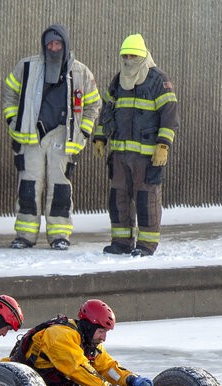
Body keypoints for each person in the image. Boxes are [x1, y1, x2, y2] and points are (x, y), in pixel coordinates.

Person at [3, 24, 100, 251]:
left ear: (65, 45)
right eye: (49, 44)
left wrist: (83, 133)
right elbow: (9, 94)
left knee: (60, 189)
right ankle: (25, 235)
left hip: (63, 137)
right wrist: (13, 122)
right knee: (28, 187)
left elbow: (94, 105)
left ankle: (59, 235)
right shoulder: (26, 67)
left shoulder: (81, 72)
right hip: (31, 136)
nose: (53, 48)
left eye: (58, 44)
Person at [93, 33, 180, 256]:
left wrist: (163, 145)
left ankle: (146, 245)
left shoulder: (158, 80)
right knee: (118, 199)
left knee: (146, 200)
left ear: (143, 56)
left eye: (133, 56)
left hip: (147, 156)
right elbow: (107, 111)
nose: (129, 60)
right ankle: (121, 242)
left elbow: (169, 115)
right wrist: (100, 137)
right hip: (121, 155)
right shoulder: (118, 80)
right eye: (125, 55)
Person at [8, 299, 152, 386]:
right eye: (102, 331)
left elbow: (108, 368)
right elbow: (76, 367)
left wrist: (131, 379)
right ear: (90, 326)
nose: (104, 338)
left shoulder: (90, 343)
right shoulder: (59, 335)